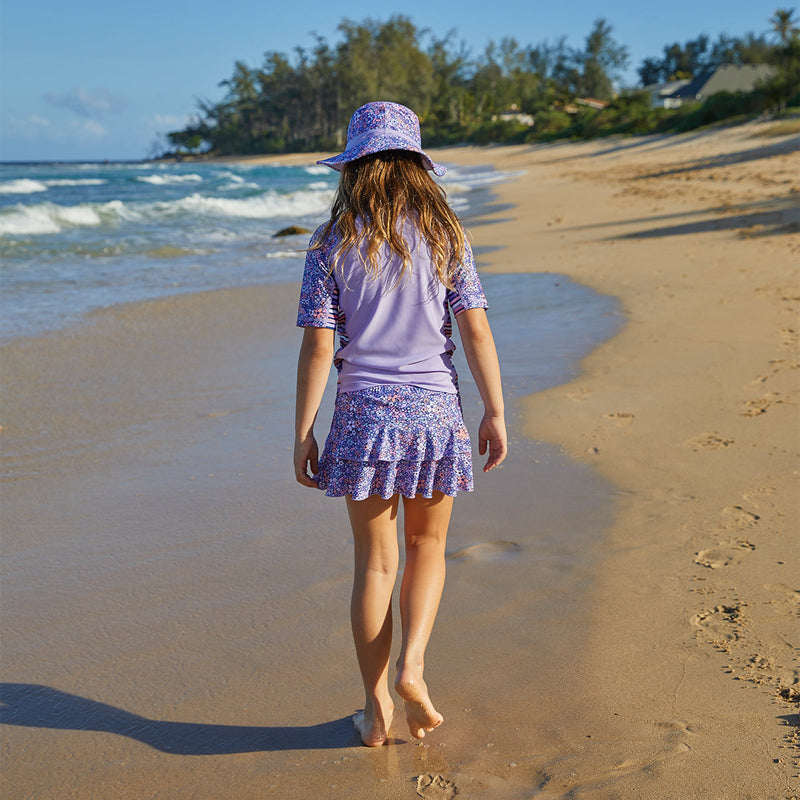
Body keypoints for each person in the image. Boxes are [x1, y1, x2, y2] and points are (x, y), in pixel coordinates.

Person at [294, 101, 507, 747]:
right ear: (418, 164)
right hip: (435, 410)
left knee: (376, 566)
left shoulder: (330, 243)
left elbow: (320, 347)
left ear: (354, 165)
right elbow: (474, 329)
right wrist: (495, 409)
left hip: (362, 412)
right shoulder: (447, 236)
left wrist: (304, 430)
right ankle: (413, 667)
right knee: (429, 549)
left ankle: (375, 705)